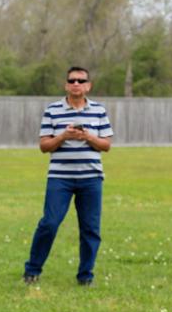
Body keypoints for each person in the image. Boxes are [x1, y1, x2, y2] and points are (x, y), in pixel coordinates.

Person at [23, 67, 113, 286]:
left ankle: (85, 275)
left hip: (91, 178)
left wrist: (87, 136)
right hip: (60, 178)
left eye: (81, 80)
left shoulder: (99, 111)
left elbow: (106, 145)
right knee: (50, 223)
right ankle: (32, 269)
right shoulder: (53, 110)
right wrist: (63, 135)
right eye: (72, 80)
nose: (76, 84)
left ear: (88, 85)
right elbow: (44, 146)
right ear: (66, 85)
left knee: (90, 228)